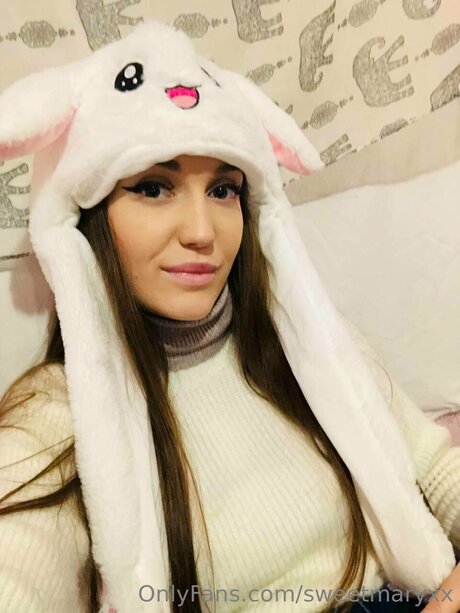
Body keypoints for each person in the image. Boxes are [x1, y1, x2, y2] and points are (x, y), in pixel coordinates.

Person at [0, 19, 459, 613]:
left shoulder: (309, 344)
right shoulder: (58, 412)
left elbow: (432, 466)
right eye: (154, 187)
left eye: (223, 190)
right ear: (88, 219)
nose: (202, 232)